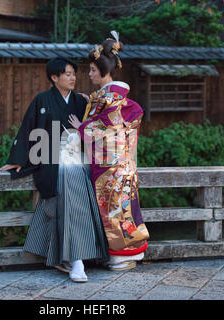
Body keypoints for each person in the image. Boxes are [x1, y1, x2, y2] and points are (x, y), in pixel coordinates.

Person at [0, 57, 109, 282]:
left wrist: (88, 120)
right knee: (69, 190)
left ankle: (73, 258)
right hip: (52, 160)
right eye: (67, 74)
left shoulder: (81, 101)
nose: (73, 78)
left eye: (73, 73)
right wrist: (19, 158)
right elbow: (28, 129)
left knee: (72, 199)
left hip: (79, 160)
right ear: (54, 77)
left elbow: (100, 130)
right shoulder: (42, 100)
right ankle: (77, 260)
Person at [68, 31, 149, 271]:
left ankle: (124, 255)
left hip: (112, 166)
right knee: (117, 209)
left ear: (104, 72)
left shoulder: (111, 97)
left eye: (93, 70)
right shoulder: (108, 96)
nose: (89, 74)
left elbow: (107, 125)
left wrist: (81, 127)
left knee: (116, 209)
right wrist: (89, 105)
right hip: (115, 163)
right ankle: (119, 253)